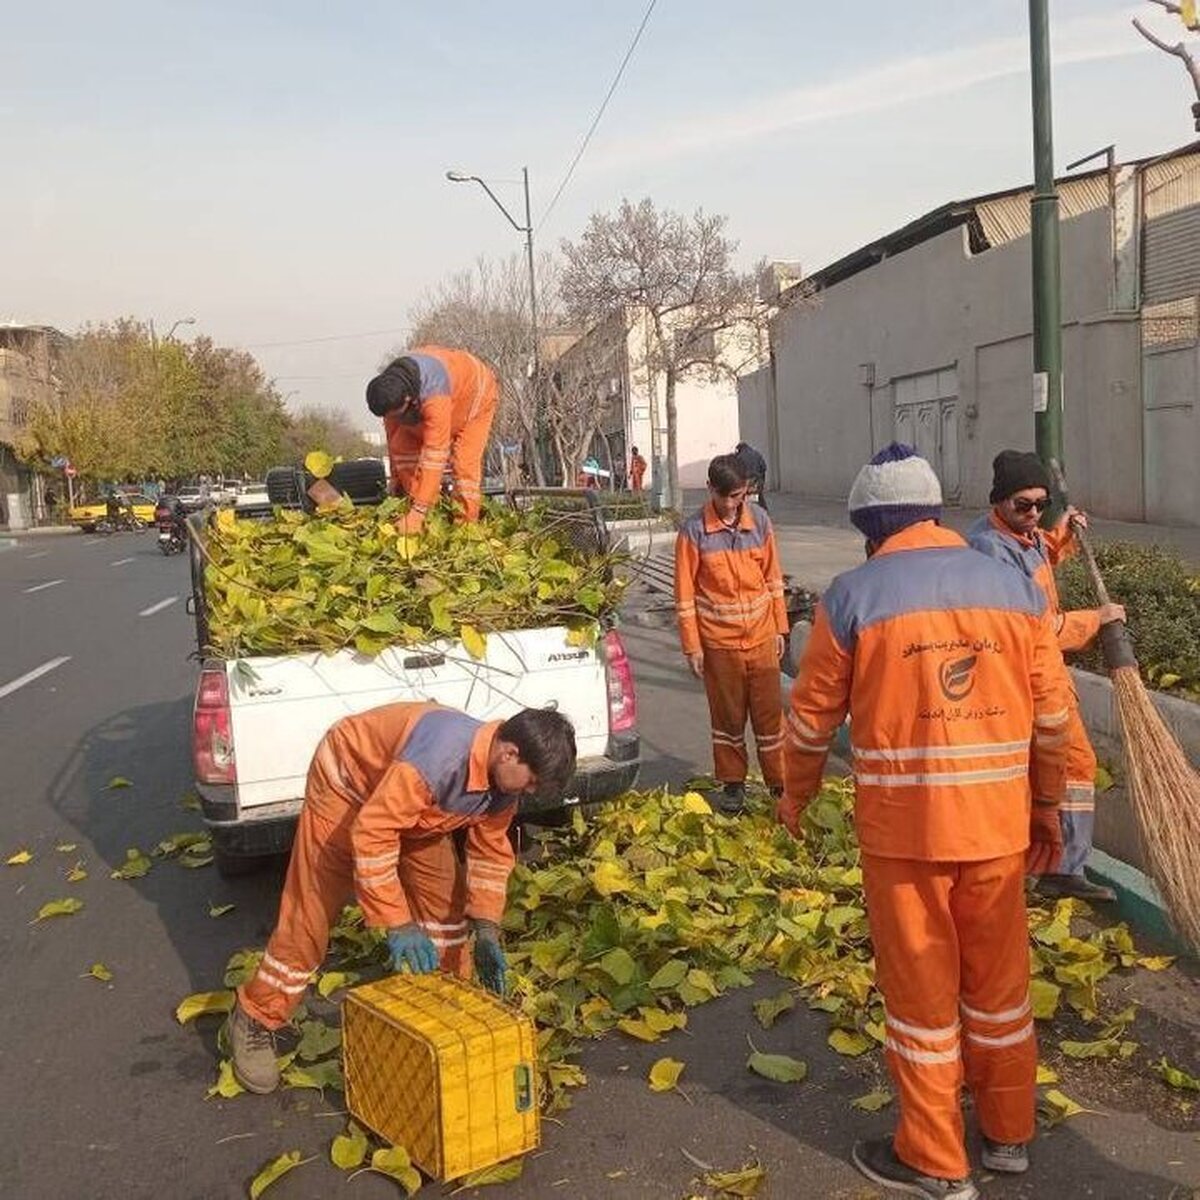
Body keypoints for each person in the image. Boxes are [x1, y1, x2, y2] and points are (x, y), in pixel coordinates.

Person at [778, 444, 1071, 1200]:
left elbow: (810, 723)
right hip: (999, 833)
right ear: (937, 512)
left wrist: (795, 795)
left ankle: (937, 1163)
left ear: (871, 529)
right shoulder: (1014, 588)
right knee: (1000, 991)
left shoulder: (852, 597)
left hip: (904, 840)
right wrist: (1047, 807)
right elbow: (1053, 718)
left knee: (922, 1005)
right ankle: (1007, 1137)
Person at [228, 702, 576, 1095]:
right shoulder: (437, 760)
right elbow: (373, 832)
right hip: (348, 788)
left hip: (417, 811)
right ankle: (256, 1016)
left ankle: (446, 1019)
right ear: (509, 752)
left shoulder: (501, 783)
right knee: (310, 918)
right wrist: (398, 922)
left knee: (448, 916)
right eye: (530, 783)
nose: (529, 793)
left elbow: (490, 850)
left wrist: (487, 927)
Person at [967, 449, 1123, 903]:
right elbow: (1032, 627)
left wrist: (1063, 533)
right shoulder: (990, 552)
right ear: (998, 501)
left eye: (1042, 504)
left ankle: (1049, 863)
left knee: (1054, 771)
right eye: (1024, 505)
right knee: (1071, 767)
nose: (1034, 513)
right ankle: (1057, 868)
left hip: (1043, 672)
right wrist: (1097, 620)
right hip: (1025, 676)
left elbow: (1040, 561)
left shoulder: (1024, 535)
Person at [674, 454, 788, 814]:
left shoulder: (761, 523)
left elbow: (773, 579)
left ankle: (780, 784)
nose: (729, 504)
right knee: (727, 719)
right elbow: (685, 595)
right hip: (719, 645)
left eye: (737, 496)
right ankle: (733, 785)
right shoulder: (694, 532)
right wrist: (692, 646)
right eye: (723, 496)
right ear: (710, 490)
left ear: (746, 491)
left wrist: (780, 627)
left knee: (771, 719)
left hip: (762, 638)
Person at [366, 346, 500, 535]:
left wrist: (419, 511)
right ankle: (429, 517)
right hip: (445, 396)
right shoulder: (390, 393)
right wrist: (396, 479)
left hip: (477, 397)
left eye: (397, 414)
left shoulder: (434, 393)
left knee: (464, 465)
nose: (394, 419)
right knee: (402, 445)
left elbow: (435, 454)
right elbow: (393, 439)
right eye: (390, 417)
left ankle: (466, 529)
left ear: (408, 399)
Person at [734, 442, 768, 510]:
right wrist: (762, 480)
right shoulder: (756, 453)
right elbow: (763, 467)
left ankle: (744, 511)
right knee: (759, 495)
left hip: (746, 480)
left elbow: (736, 470)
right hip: (757, 479)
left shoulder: (739, 456)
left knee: (743, 496)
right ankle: (764, 511)